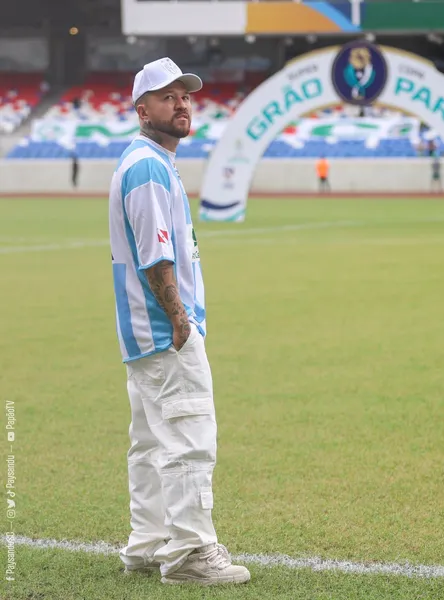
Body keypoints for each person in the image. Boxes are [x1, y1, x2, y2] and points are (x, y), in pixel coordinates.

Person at [108, 57, 251, 587]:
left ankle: (147, 544)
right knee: (190, 435)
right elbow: (154, 254)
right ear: (142, 109)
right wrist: (178, 316)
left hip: (144, 332)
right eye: (168, 97)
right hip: (165, 330)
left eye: (185, 95)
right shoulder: (147, 166)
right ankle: (189, 551)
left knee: (149, 441)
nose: (182, 103)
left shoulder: (149, 162)